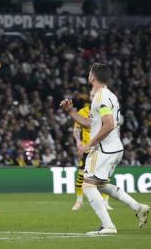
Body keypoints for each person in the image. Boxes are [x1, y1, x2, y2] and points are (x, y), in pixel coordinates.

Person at [60, 63, 150, 235]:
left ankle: (108, 226)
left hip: (104, 148)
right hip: (114, 147)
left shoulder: (100, 97)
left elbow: (108, 125)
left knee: (87, 185)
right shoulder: (109, 96)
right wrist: (71, 111)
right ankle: (138, 207)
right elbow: (89, 123)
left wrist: (89, 144)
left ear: (92, 77)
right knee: (100, 184)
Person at [71, 91, 112, 211]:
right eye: (92, 96)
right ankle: (79, 201)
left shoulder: (104, 111)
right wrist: (78, 142)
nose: (93, 98)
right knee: (81, 176)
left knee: (103, 177)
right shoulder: (82, 112)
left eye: (95, 96)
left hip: (100, 147)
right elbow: (76, 130)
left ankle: (105, 202)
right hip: (86, 148)